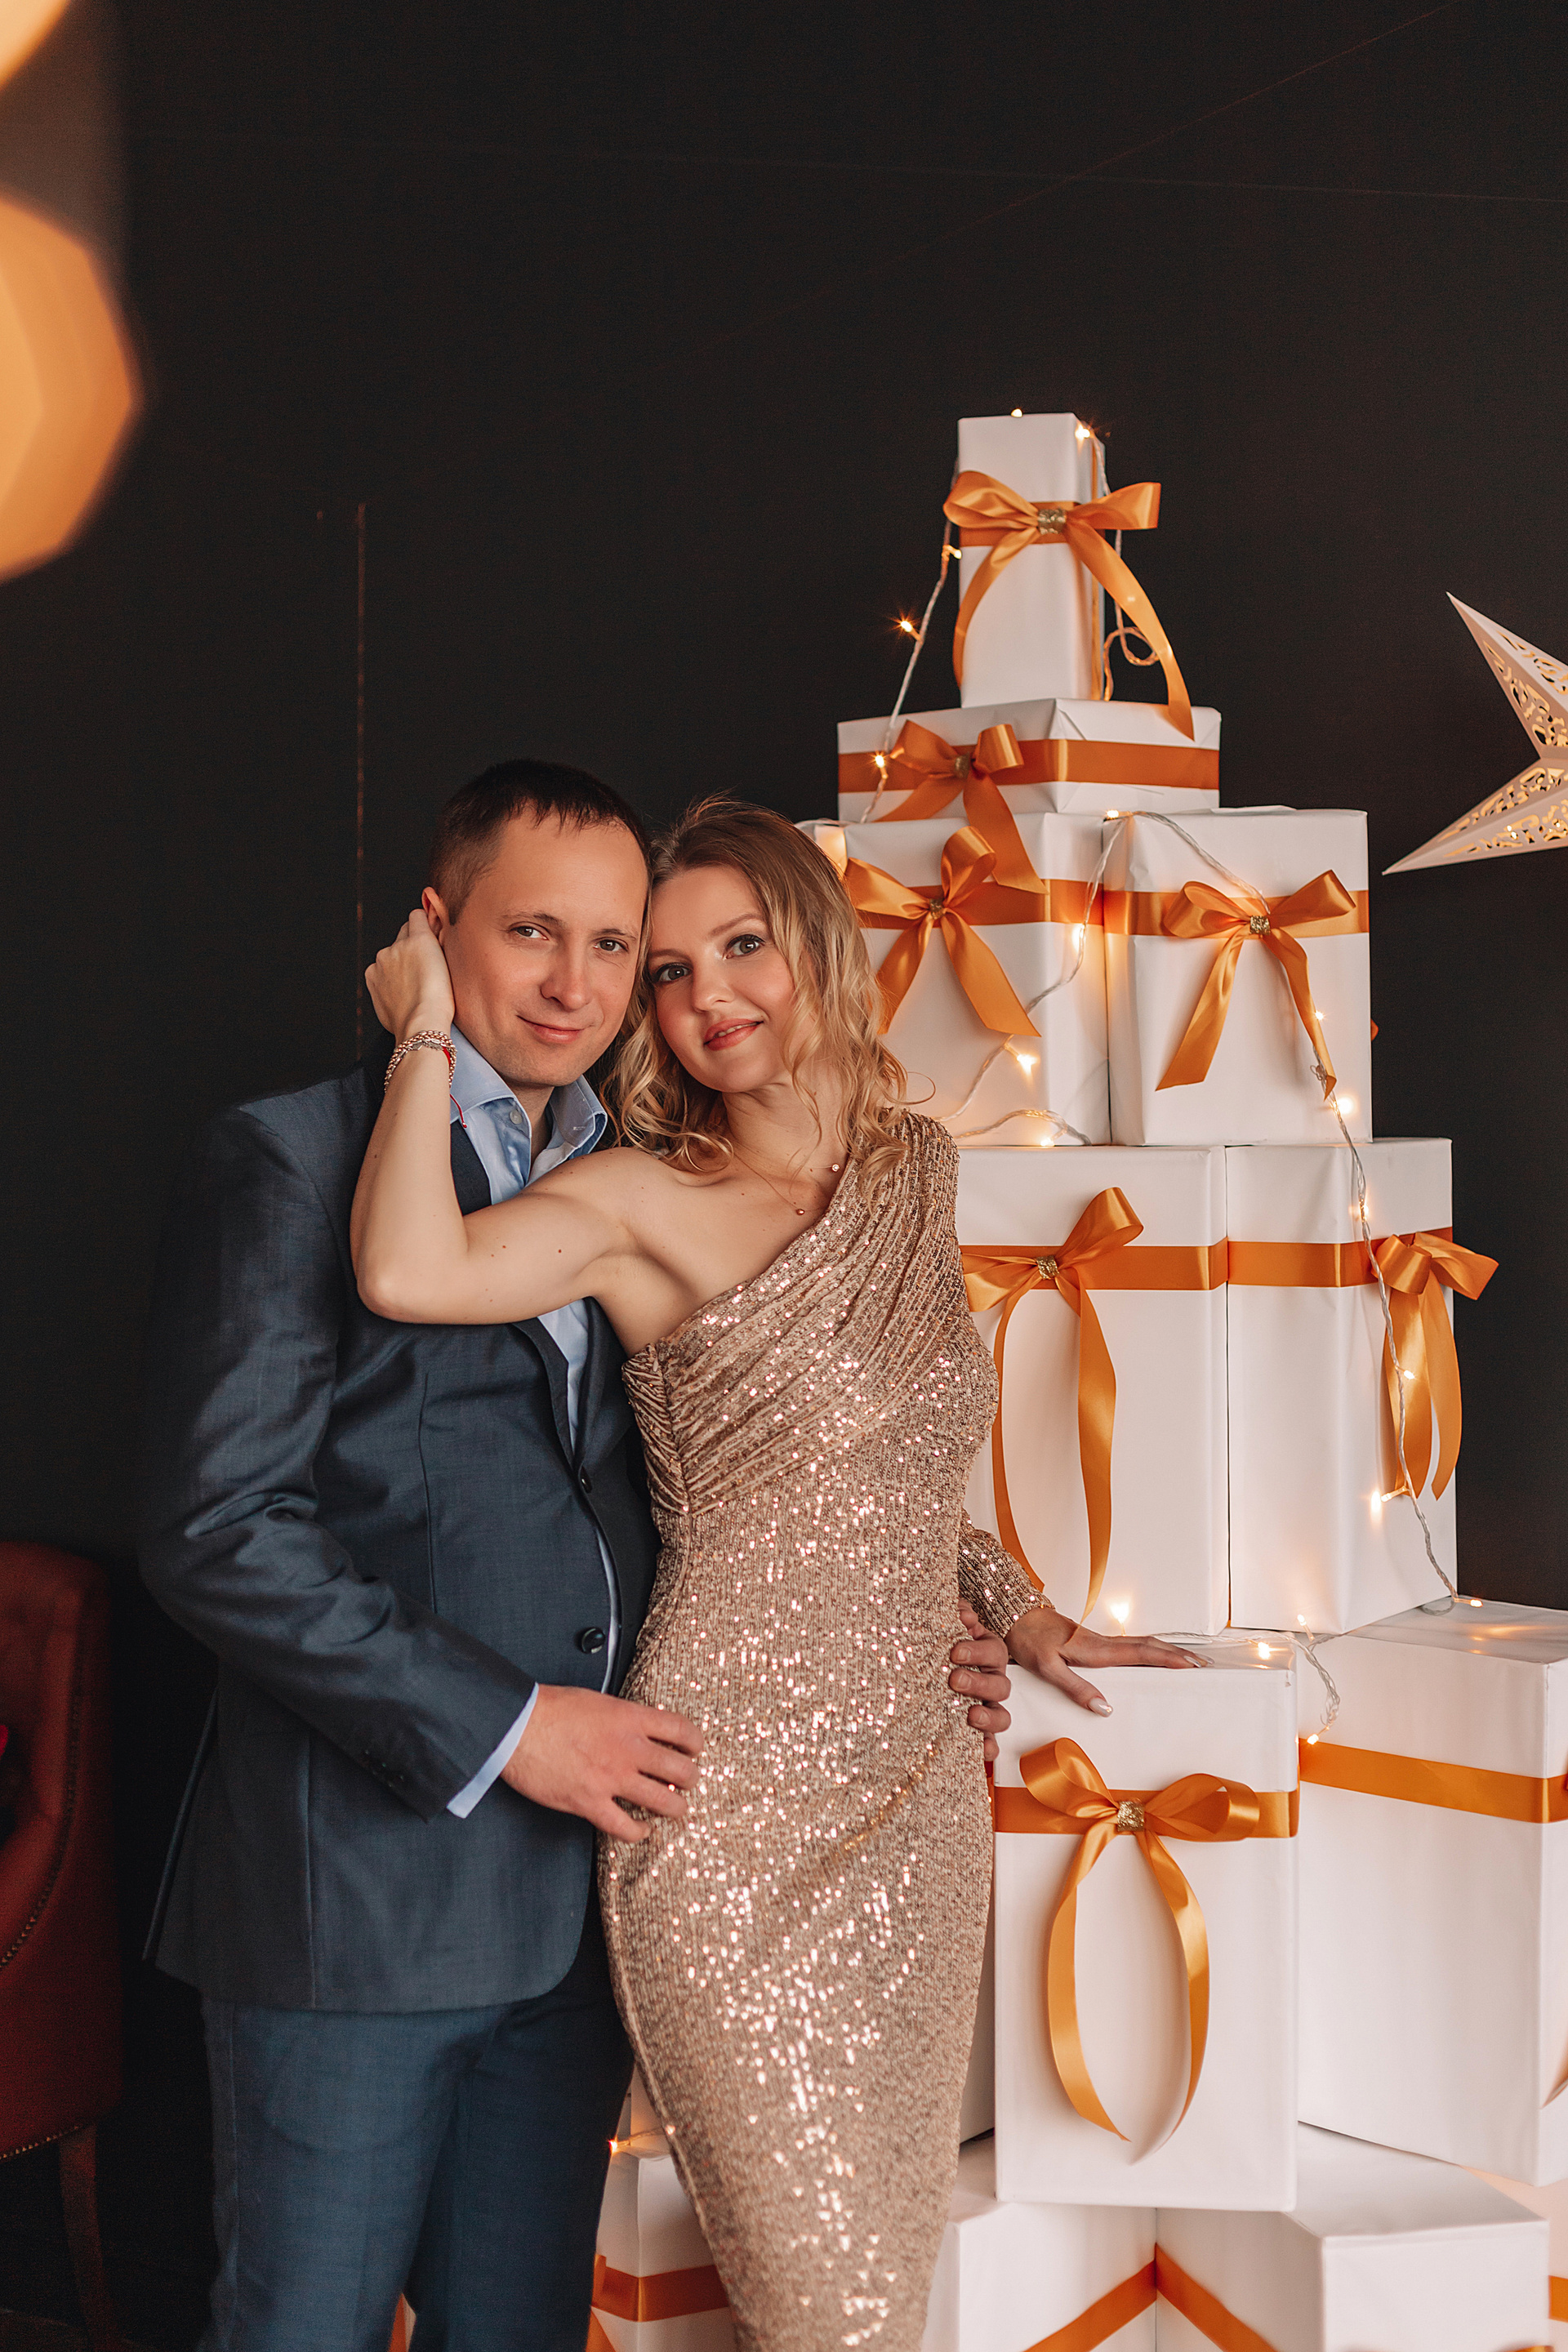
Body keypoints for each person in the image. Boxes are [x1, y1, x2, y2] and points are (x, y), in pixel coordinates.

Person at [138, 759, 1009, 2352]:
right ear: (435, 929)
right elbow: (219, 1533)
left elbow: (777, 1471)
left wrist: (936, 1611)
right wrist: (509, 1725)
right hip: (361, 1907)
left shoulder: (661, 1164)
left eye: (616, 948)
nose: (580, 984)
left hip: (587, 1902)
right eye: (535, 932)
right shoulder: (293, 1157)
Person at [353, 796, 1200, 2352]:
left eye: (742, 946)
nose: (709, 996)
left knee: (877, 2291)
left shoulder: (913, 1172)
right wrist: (420, 1030)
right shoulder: (641, 1203)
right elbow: (407, 1269)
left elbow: (892, 1466)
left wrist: (1011, 1605)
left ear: (816, 942)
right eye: (670, 971)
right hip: (729, 1819)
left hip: (915, 1804)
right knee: (828, 2313)